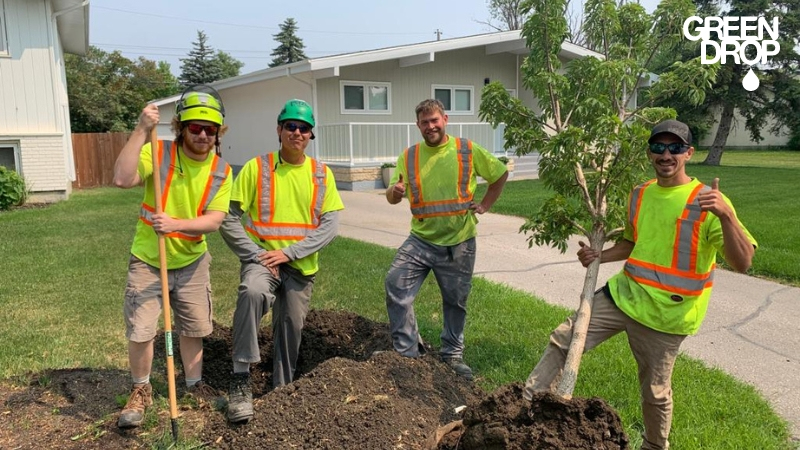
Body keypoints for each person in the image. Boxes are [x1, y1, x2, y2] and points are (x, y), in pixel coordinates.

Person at [523, 119, 757, 449]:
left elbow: (743, 262)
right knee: (564, 338)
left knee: (655, 392)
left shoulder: (708, 201)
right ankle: (524, 407)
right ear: (650, 153)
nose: (666, 154)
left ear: (688, 153)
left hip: (667, 315)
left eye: (675, 148)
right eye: (659, 147)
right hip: (624, 295)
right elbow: (634, 244)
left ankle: (654, 446)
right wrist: (598, 256)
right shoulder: (640, 194)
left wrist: (726, 216)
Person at [112, 86, 233, 428]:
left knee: (194, 327)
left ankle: (194, 386)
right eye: (195, 127)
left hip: (193, 261)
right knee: (142, 329)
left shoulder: (222, 170)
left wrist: (176, 223)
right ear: (181, 127)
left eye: (210, 129)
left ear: (218, 132)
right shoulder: (158, 151)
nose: (203, 134)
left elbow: (214, 220)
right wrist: (140, 129)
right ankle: (141, 390)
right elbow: (122, 178)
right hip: (150, 258)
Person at [219, 99, 344, 423]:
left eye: (303, 128)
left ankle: (281, 392)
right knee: (253, 292)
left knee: (291, 327)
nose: (297, 133)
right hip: (262, 260)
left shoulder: (321, 174)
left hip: (300, 265)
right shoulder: (256, 168)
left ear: (310, 135)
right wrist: (256, 254)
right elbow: (230, 218)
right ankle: (241, 379)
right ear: (279, 130)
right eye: (290, 126)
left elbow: (330, 226)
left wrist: (290, 252)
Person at [384, 98, 509, 381]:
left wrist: (486, 205)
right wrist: (396, 191)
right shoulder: (410, 156)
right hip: (421, 239)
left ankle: (452, 354)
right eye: (424, 122)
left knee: (455, 300)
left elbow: (500, 174)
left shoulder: (466, 150)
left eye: (434, 120)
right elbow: (392, 195)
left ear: (445, 119)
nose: (430, 127)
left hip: (459, 242)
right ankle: (407, 352)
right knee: (395, 283)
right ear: (417, 125)